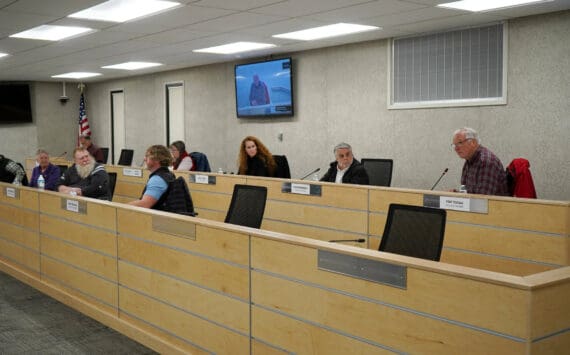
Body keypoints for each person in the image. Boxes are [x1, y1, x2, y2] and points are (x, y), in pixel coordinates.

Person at [452, 127, 508, 196]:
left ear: (473, 142)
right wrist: (455, 194)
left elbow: (482, 200)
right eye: (454, 145)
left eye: (460, 142)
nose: (456, 148)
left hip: (495, 206)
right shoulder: (468, 161)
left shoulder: (486, 162)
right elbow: (465, 192)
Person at [129, 145, 175, 209]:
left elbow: (144, 204)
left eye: (147, 156)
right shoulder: (168, 174)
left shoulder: (157, 179)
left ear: (157, 159)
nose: (144, 159)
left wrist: (121, 207)